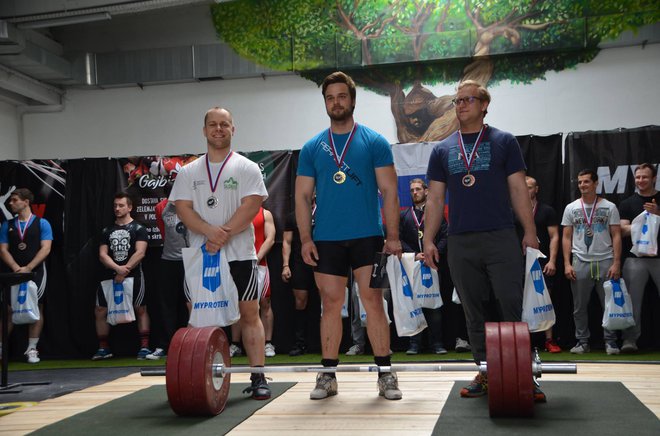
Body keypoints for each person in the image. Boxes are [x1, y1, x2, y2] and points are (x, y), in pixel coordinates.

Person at [422, 80, 544, 401]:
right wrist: (428, 239)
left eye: (468, 100)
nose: (460, 105)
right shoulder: (442, 149)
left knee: (510, 307)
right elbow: (434, 200)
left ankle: (523, 376)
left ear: (484, 104)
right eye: (457, 101)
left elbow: (519, 189)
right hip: (461, 242)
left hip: (501, 237)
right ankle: (486, 371)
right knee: (474, 313)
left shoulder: (504, 141)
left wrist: (529, 231)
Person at [295, 71, 403, 400]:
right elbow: (301, 197)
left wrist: (393, 236)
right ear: (325, 103)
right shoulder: (313, 147)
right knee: (330, 305)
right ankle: (328, 375)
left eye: (342, 96)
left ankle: (386, 373)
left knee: (373, 303)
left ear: (352, 100)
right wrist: (305, 239)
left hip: (368, 236)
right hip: (326, 239)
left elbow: (389, 191)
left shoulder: (374, 142)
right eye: (330, 98)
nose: (336, 102)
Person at [170, 106, 271, 400]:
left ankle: (258, 376)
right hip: (202, 257)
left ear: (232, 129)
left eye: (224, 124)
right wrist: (208, 232)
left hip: (240, 254)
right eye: (212, 125)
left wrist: (221, 233)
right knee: (201, 318)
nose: (218, 129)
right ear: (204, 131)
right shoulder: (189, 172)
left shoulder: (247, 167)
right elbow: (183, 208)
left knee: (250, 315)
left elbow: (251, 205)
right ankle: (203, 378)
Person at [561, 169, 622, 355]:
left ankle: (610, 342)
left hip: (605, 260)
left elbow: (616, 235)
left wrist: (617, 263)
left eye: (586, 182)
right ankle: (582, 342)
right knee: (579, 306)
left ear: (596, 183)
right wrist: (567, 263)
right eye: (580, 182)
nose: (582, 185)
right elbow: (566, 237)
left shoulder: (609, 207)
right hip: (580, 260)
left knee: (608, 305)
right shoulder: (571, 208)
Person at [93, 192, 152, 360]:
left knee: (140, 309)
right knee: (100, 310)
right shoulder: (107, 230)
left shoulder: (139, 228)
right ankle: (103, 348)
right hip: (109, 275)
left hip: (133, 276)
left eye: (121, 205)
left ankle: (145, 347)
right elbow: (102, 254)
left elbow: (140, 252)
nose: (117, 209)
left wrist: (125, 269)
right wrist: (117, 269)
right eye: (115, 206)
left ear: (130, 207)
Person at [0, 188, 53, 363]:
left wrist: (29, 267)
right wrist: (16, 268)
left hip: (36, 272)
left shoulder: (42, 223)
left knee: (36, 307)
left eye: (14, 200)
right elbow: (3, 250)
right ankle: (1, 348)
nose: (10, 203)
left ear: (26, 202)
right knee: (8, 310)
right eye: (11, 200)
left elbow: (46, 248)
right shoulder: (7, 225)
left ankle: (32, 349)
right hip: (14, 273)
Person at [400, 178, 447, 355]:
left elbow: (445, 236)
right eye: (412, 190)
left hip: (432, 264)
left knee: (434, 306)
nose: (415, 193)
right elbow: (399, 239)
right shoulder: (405, 216)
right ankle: (414, 344)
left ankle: (437, 344)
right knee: (414, 306)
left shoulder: (436, 214)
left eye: (418, 189)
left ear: (426, 191)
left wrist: (434, 252)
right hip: (413, 265)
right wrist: (414, 255)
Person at [146, 183, 191, 360]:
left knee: (191, 303)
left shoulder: (191, 205)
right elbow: (163, 232)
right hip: (168, 260)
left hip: (190, 259)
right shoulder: (161, 208)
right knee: (166, 303)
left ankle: (191, 343)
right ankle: (166, 345)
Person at [618, 163, 660, 353]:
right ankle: (629, 340)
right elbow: (622, 230)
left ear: (654, 179)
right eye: (638, 177)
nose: (641, 180)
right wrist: (643, 220)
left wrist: (657, 215)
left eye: (645, 177)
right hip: (635, 259)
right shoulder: (628, 203)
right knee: (632, 302)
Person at [517, 176, 561, 353]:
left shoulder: (546, 211)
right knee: (520, 302)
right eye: (523, 188)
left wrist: (552, 260)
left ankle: (549, 340)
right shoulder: (514, 211)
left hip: (542, 263)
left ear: (536, 189)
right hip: (520, 263)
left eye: (529, 187)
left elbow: (555, 236)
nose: (526, 191)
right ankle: (521, 341)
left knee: (545, 301)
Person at [230, 207, 276, 357]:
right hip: (239, 263)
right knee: (239, 304)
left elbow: (270, 238)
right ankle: (235, 344)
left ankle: (268, 343)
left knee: (265, 303)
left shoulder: (265, 214)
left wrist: (257, 257)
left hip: (259, 265)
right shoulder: (235, 212)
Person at [282, 206, 317, 356]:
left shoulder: (324, 211)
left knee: (329, 302)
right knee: (300, 301)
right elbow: (287, 242)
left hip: (323, 262)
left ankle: (326, 343)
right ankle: (300, 343)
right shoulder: (292, 215)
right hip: (300, 263)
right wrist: (285, 265)